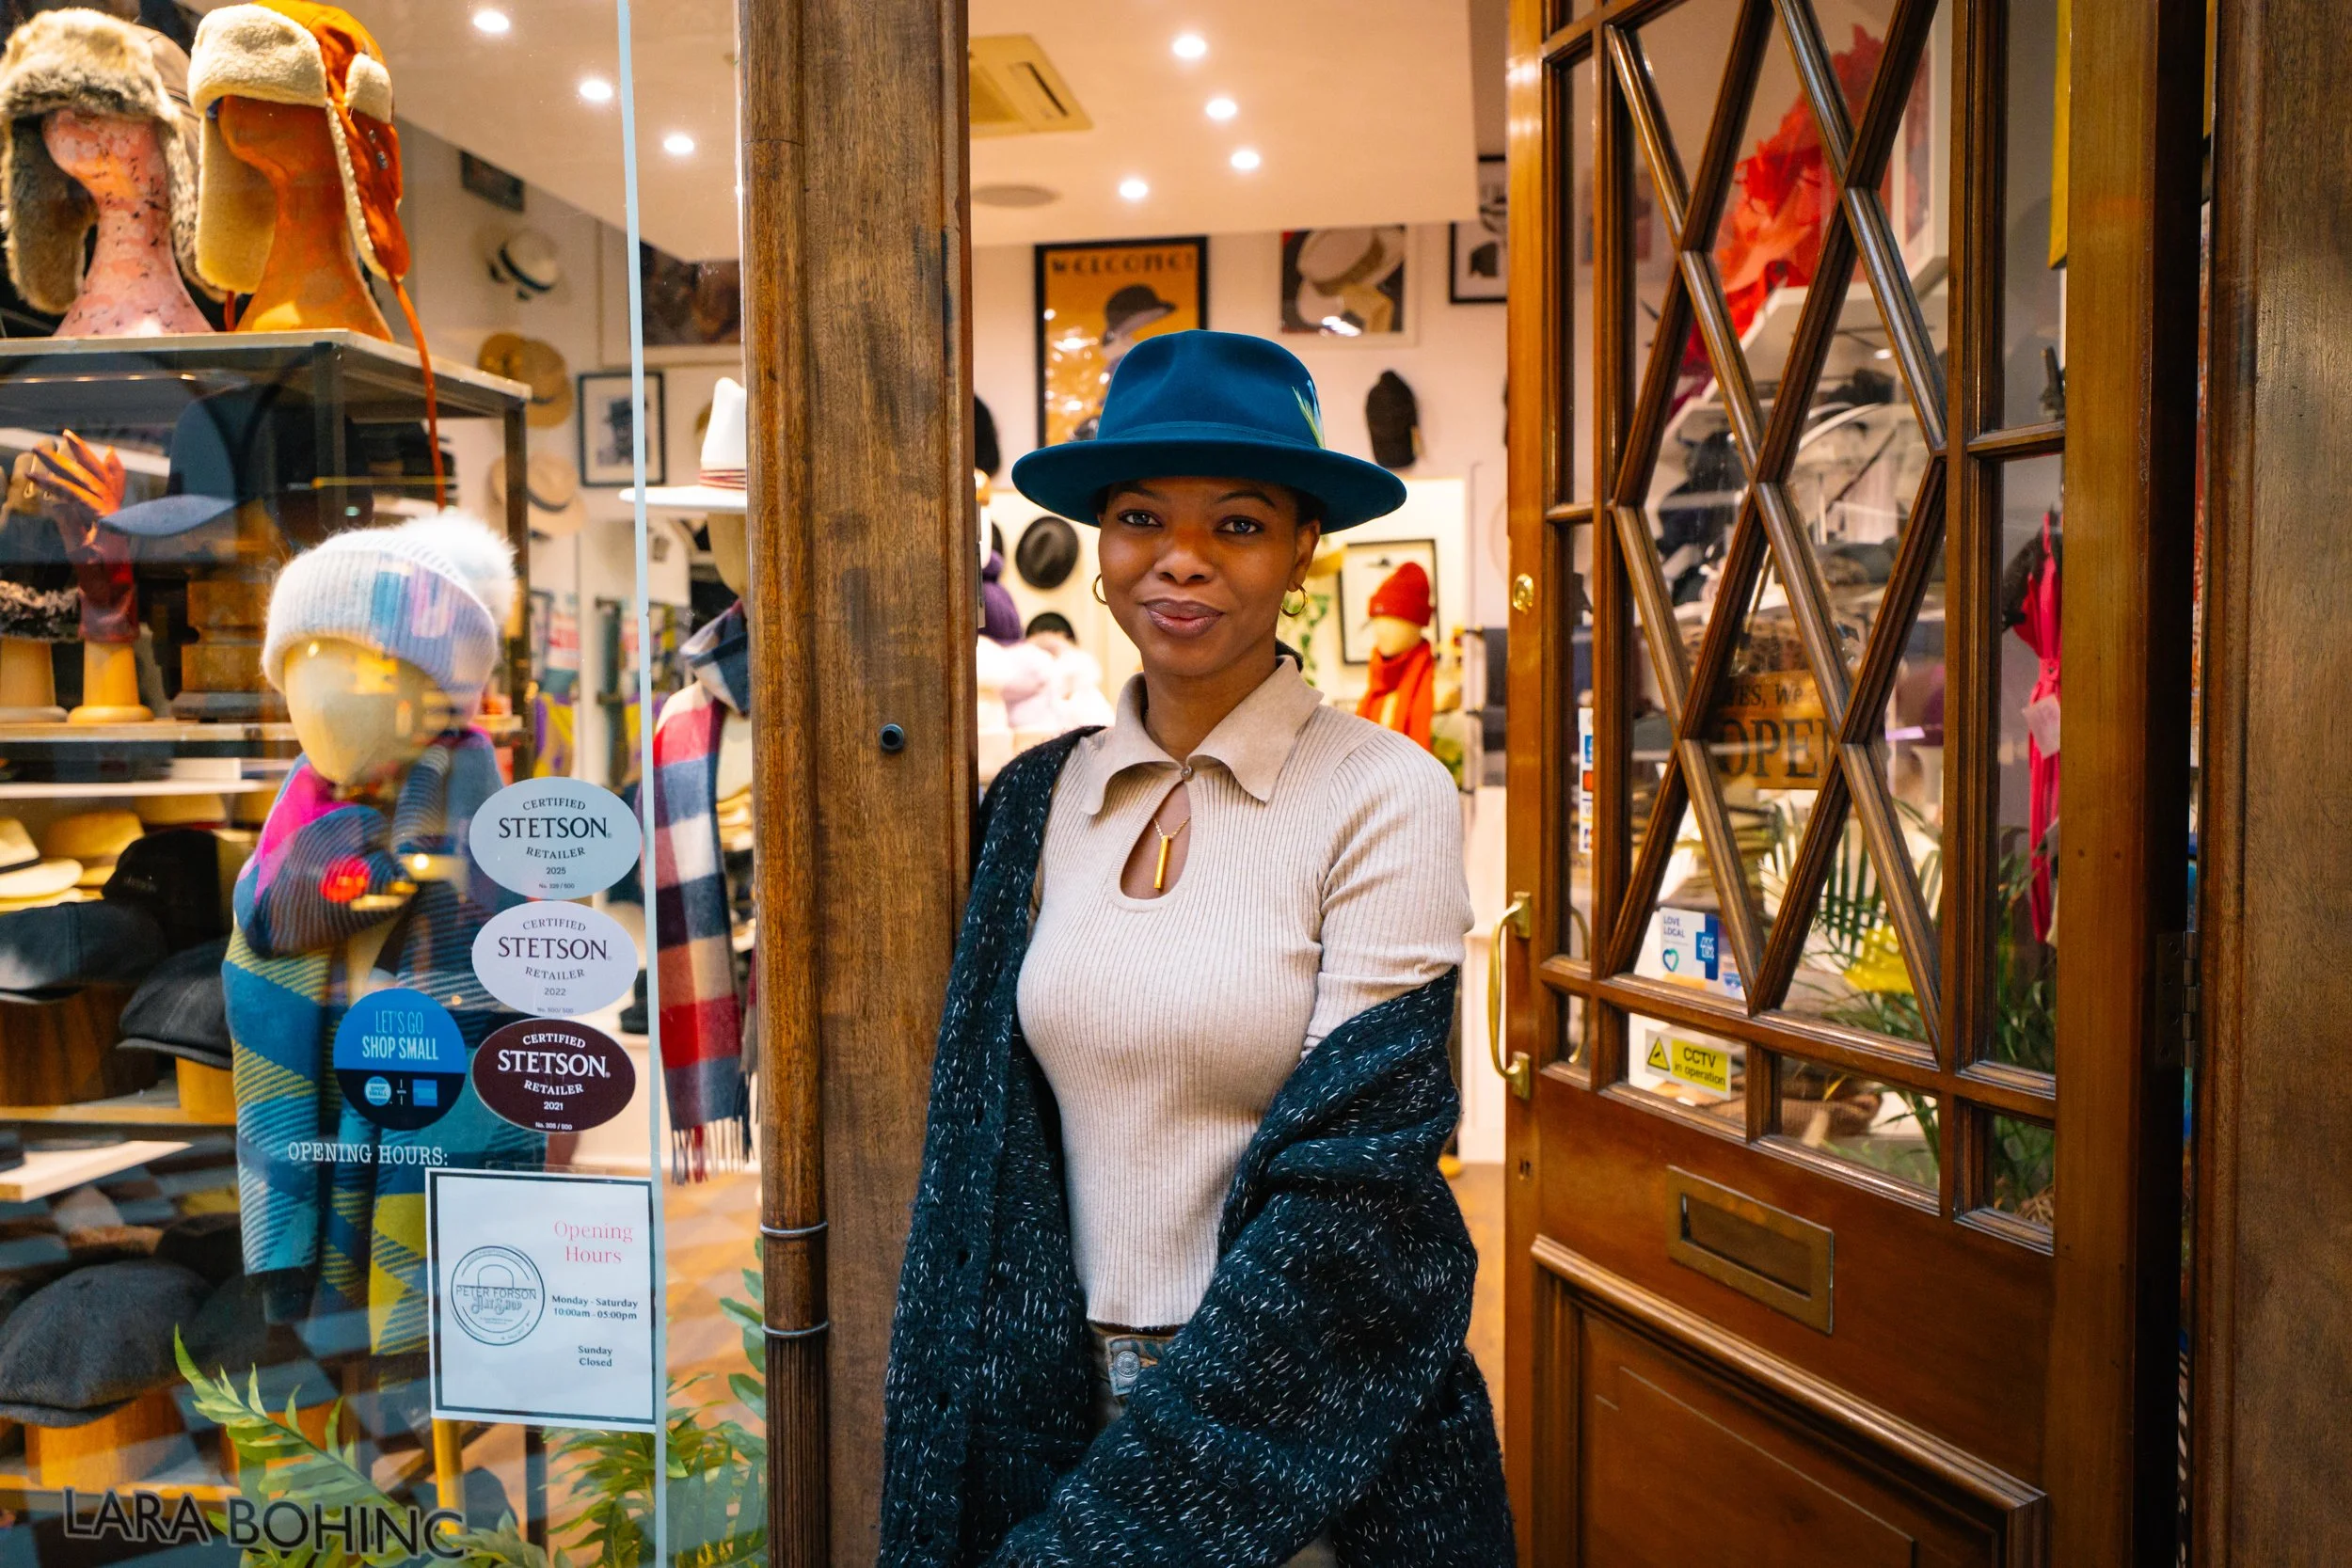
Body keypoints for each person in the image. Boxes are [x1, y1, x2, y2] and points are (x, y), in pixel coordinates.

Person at [879, 330, 1513, 1567]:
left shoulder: (1382, 792)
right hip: (1047, 1398)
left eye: (1237, 523)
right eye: (1139, 518)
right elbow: (984, 1154)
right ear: (1100, 545)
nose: (1181, 558)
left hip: (1303, 1417)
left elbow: (1355, 1200)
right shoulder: (1035, 800)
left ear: (1302, 548)